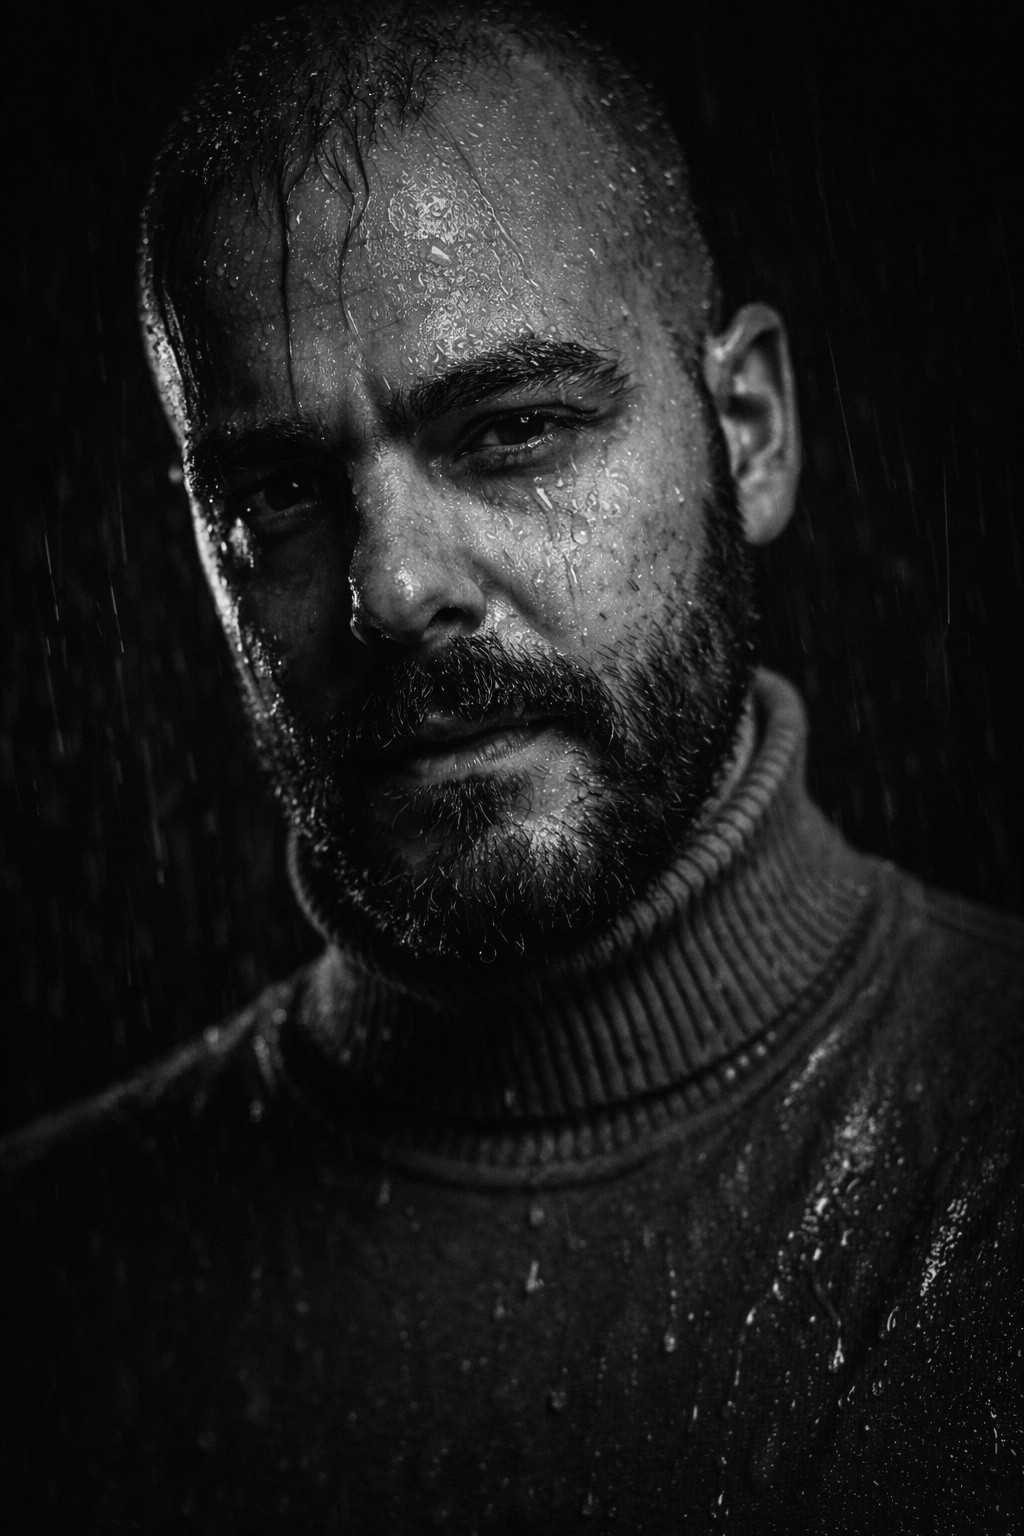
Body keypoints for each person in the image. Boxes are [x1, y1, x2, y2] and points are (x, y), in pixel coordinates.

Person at [3, 2, 1022, 1529]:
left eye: (514, 430)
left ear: (746, 432)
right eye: (275, 495)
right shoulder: (48, 1302)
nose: (394, 589)